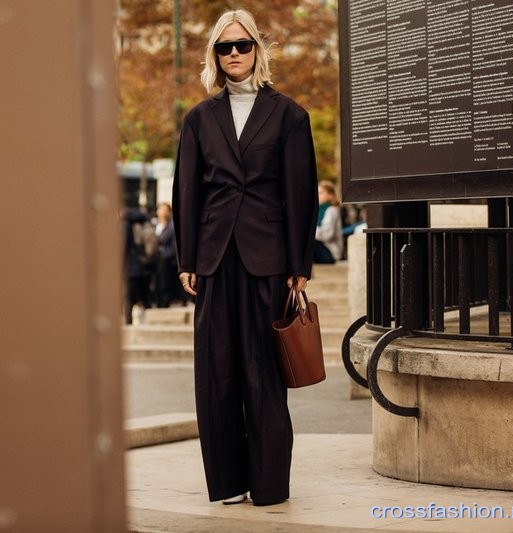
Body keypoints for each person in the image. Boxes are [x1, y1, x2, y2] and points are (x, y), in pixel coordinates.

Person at [172, 9, 318, 507]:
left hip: (269, 258)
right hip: (213, 259)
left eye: (242, 45)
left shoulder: (290, 116)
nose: (234, 54)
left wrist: (300, 266)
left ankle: (270, 483)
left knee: (262, 372)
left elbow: (301, 195)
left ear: (258, 49)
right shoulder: (198, 119)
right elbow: (187, 191)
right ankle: (228, 481)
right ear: (214, 55)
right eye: (224, 47)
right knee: (216, 371)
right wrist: (186, 258)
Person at [122, 208, 155, 324]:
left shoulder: (126, 223)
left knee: (128, 296)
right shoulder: (143, 221)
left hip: (130, 265)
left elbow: (124, 246)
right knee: (143, 294)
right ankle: (147, 320)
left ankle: (128, 321)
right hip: (142, 264)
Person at [153, 203, 182, 308]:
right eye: (161, 209)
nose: (162, 212)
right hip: (155, 260)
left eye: (165, 210)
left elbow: (174, 247)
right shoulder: (154, 225)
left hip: (166, 260)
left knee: (164, 284)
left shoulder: (172, 227)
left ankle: (164, 302)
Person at [313, 180, 343, 263]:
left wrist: (310, 231)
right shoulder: (319, 210)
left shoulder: (331, 210)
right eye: (318, 192)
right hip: (322, 247)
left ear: (330, 195)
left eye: (321, 193)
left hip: (330, 252)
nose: (318, 195)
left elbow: (327, 235)